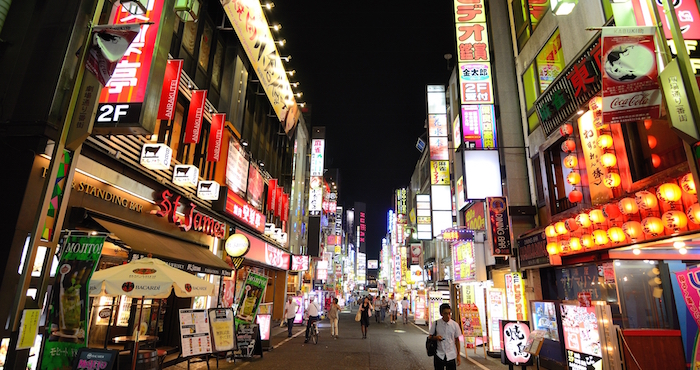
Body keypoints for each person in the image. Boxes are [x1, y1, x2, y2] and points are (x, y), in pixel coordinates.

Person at [428, 303, 461, 370]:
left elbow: (457, 340)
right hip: (439, 354)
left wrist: (458, 355)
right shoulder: (436, 324)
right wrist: (436, 338)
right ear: (441, 314)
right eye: (445, 313)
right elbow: (430, 337)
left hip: (451, 354)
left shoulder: (455, 325)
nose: (448, 316)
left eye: (449, 313)